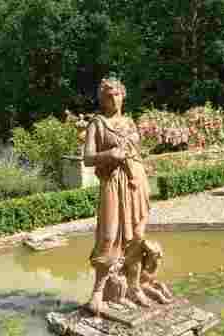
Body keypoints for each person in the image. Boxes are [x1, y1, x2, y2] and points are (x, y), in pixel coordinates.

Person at [84, 78, 152, 315]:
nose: (113, 99)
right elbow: (88, 158)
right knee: (109, 236)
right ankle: (98, 292)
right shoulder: (98, 123)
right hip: (113, 183)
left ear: (123, 95)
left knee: (136, 236)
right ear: (102, 99)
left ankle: (133, 288)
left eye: (117, 94)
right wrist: (110, 153)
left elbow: (137, 152)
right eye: (108, 95)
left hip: (136, 181)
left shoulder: (130, 122)